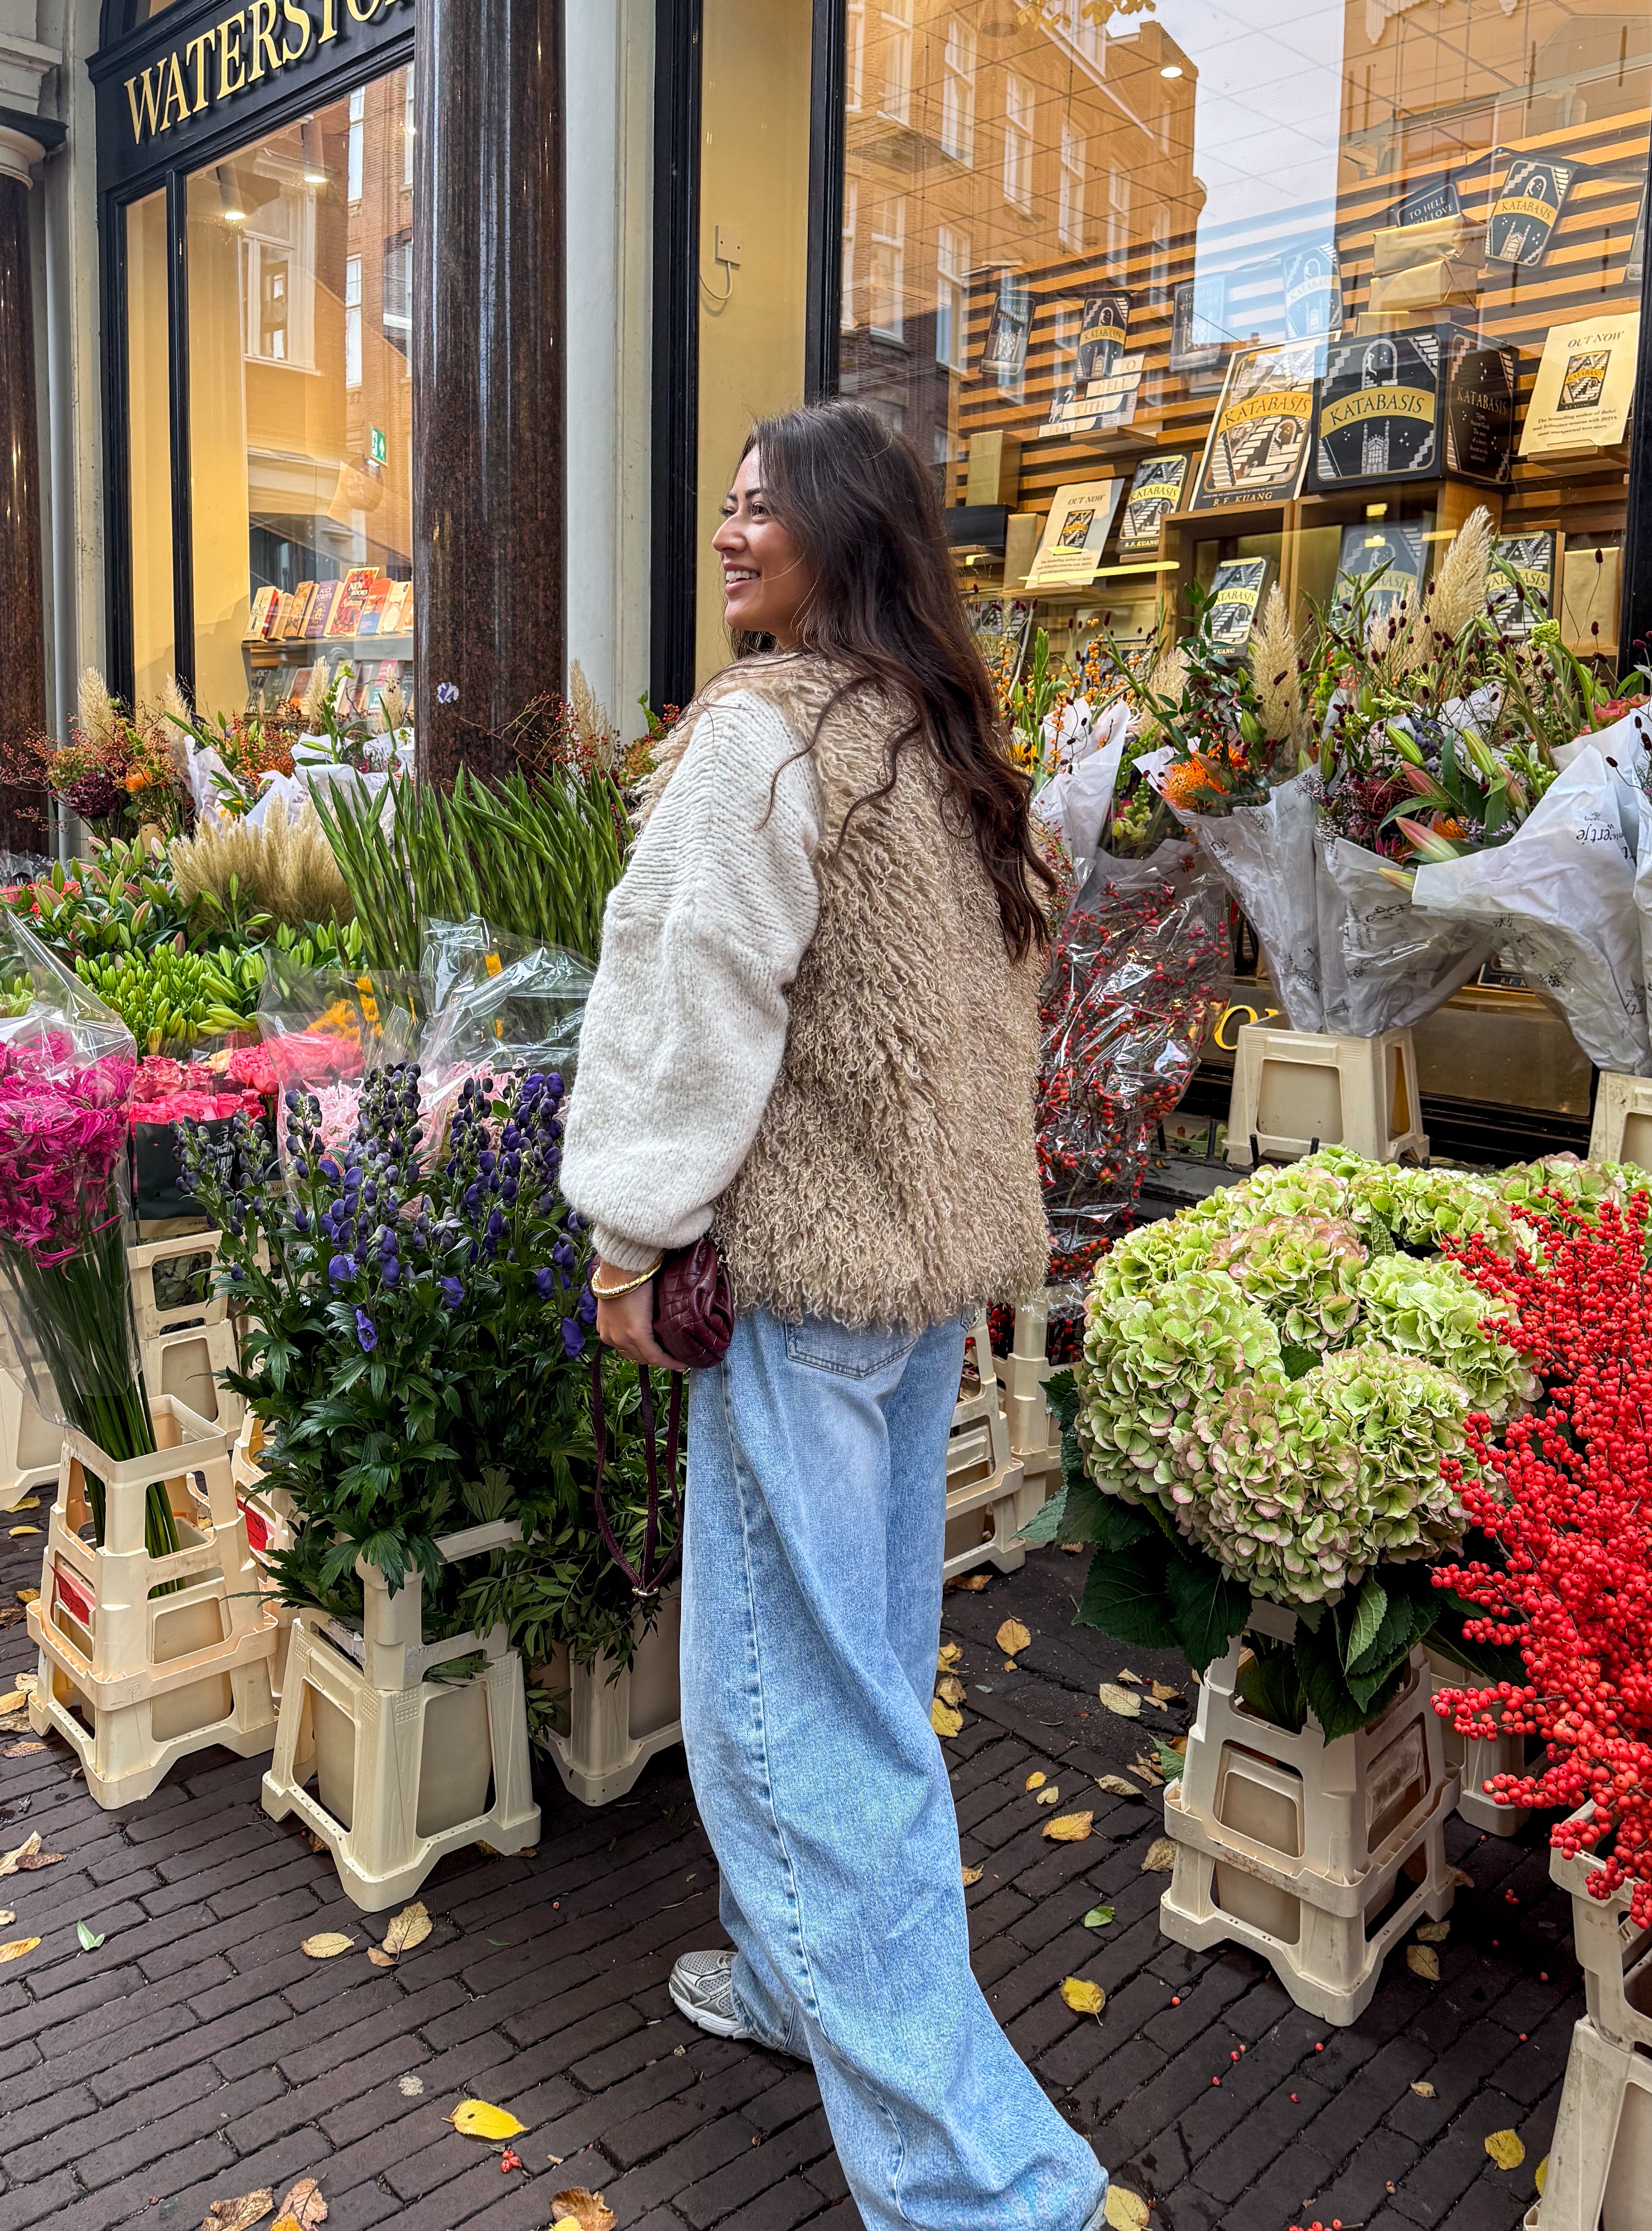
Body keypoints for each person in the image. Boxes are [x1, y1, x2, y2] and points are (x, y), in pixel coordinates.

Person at [560, 399, 1109, 2231]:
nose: (730, 534)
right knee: (858, 1675)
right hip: (916, 1287)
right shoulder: (935, 738)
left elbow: (685, 999)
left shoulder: (768, 735)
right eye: (724, 505)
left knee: (791, 1727)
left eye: (762, 509)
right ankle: (802, 1987)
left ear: (842, 534)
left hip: (802, 1286)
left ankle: (984, 2187)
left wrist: (630, 1239)